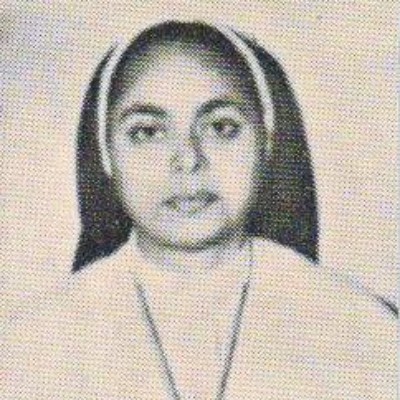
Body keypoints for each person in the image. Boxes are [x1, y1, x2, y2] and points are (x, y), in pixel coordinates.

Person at [2, 21, 396, 399]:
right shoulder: (31, 342)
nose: (188, 159)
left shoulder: (362, 329)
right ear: (106, 155)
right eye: (147, 132)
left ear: (267, 143)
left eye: (221, 127)